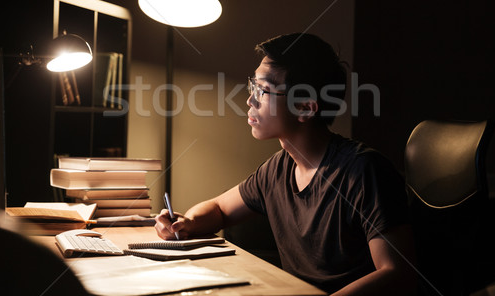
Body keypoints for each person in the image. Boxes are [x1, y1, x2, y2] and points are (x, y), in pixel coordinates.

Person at [155, 33, 417, 295]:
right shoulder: (277, 169)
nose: (250, 100)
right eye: (252, 86)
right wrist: (187, 222)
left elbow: (396, 272)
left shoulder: (364, 170)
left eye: (262, 90)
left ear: (305, 107)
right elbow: (220, 208)